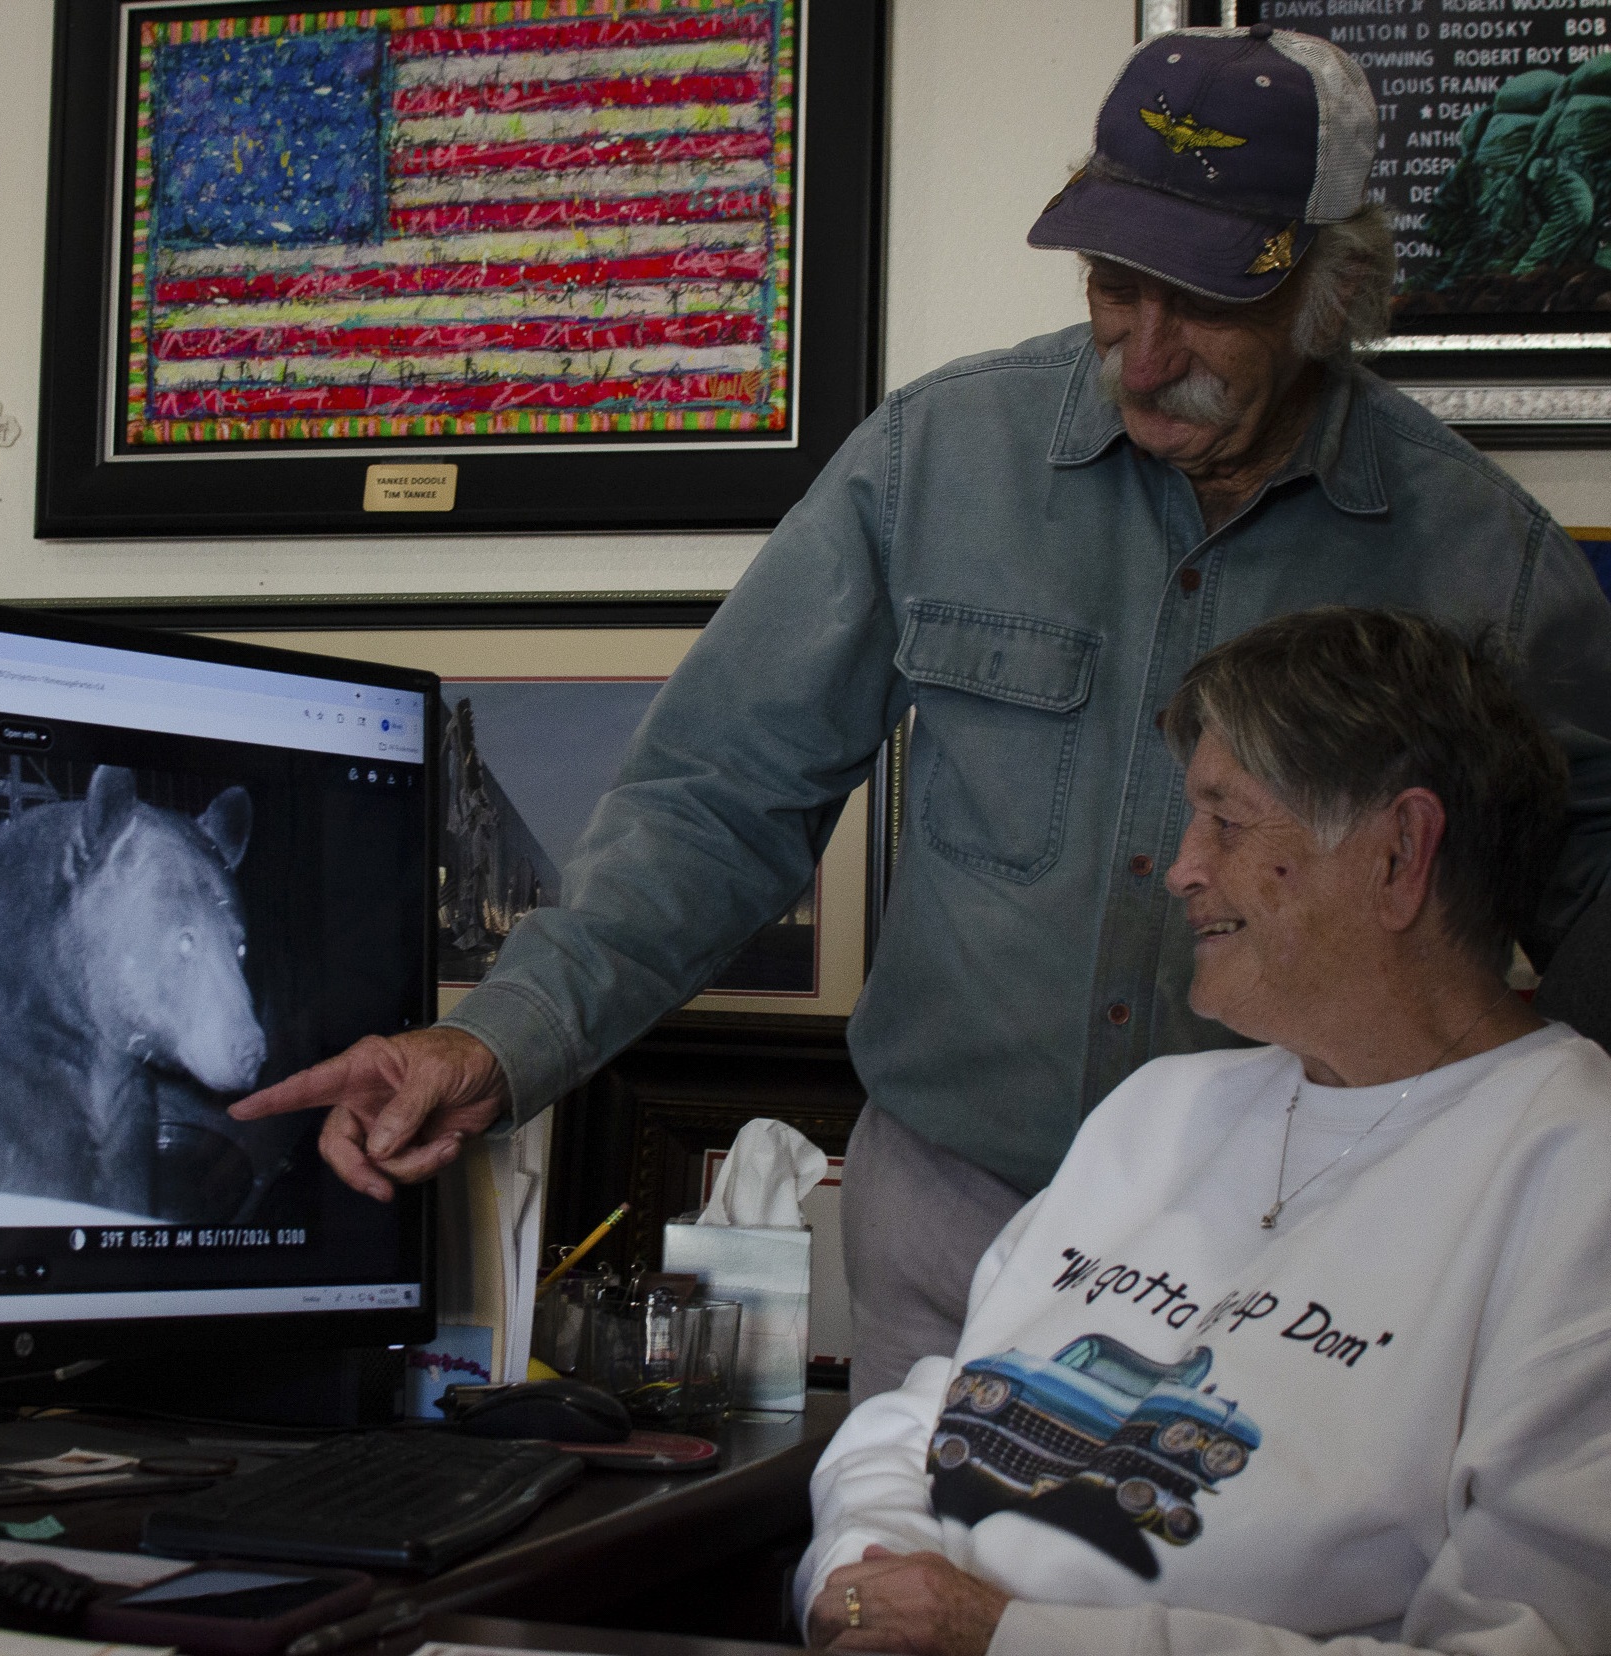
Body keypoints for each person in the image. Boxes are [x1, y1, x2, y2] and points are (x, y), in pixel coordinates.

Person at [231, 26, 1611, 1399]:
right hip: (958, 1222)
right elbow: (718, 797)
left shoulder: (1481, 559)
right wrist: (501, 1036)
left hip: (1309, 1246)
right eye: (1110, 289)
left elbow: (1591, 898)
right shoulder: (939, 456)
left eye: (1200, 306)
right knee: (902, 1594)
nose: (1142, 356)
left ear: (1328, 290)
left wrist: (1534, 1205)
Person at [797, 607, 1611, 1656]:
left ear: (1400, 854)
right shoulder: (1163, 1107)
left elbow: (1521, 1642)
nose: (1180, 869)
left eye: (1226, 823)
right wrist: (865, 1576)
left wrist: (1003, 1637)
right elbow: (930, 1409)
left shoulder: (1574, 1174)